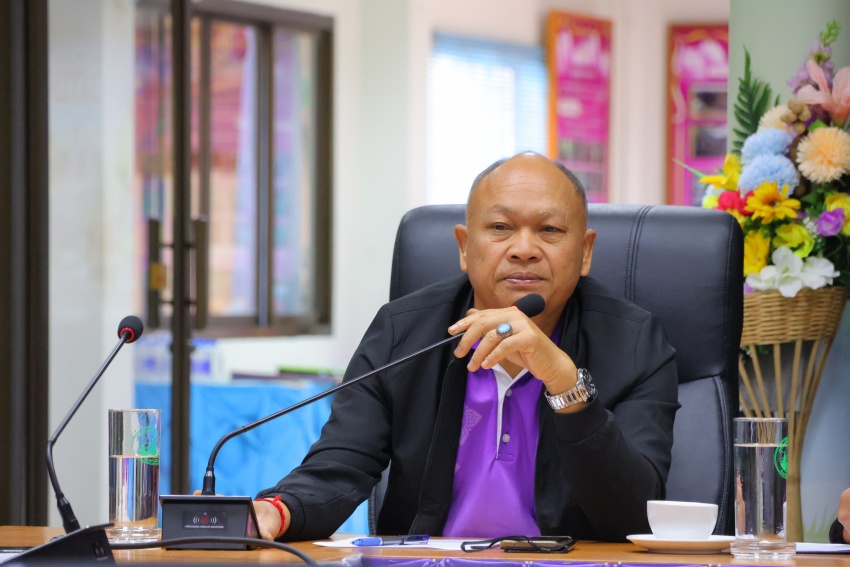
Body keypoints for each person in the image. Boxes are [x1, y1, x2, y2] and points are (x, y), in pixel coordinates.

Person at [252, 152, 679, 542]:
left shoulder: (634, 343)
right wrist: (275, 512)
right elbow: (340, 465)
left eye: (549, 230)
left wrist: (566, 385)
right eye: (500, 228)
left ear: (585, 252)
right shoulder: (404, 332)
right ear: (464, 246)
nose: (524, 250)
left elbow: (636, 517)